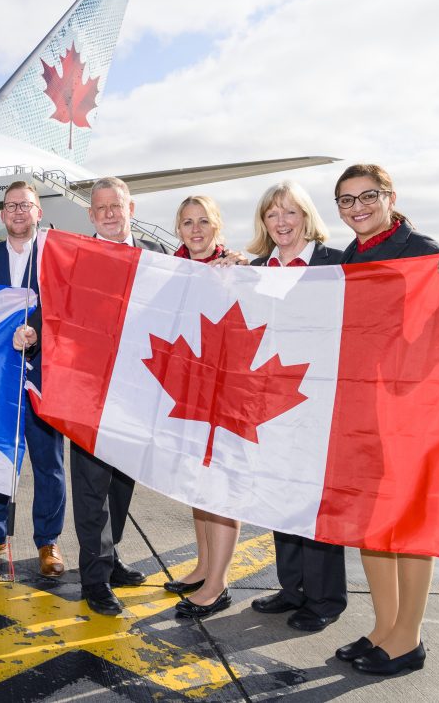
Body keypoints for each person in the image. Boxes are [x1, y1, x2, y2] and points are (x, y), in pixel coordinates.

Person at [329, 164, 439, 675]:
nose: (357, 208)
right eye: (346, 201)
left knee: (410, 523)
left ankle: (408, 639)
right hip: (365, 410)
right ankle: (383, 626)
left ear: (390, 197)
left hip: (408, 413)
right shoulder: (352, 255)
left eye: (367, 196)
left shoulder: (423, 253)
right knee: (373, 525)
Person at [15, 176, 169, 616]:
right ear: (90, 214)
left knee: (122, 483)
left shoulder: (158, 258)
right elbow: (55, 306)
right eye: (99, 207)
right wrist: (34, 330)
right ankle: (95, 579)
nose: (108, 213)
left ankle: (111, 554)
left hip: (138, 389)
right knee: (90, 486)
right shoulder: (77, 257)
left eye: (115, 205)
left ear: (130, 208)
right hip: (89, 391)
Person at [244, 181, 347, 632]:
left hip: (320, 400)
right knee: (280, 494)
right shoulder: (258, 269)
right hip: (271, 402)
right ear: (263, 223)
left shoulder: (335, 263)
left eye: (290, 212)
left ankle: (326, 597)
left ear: (306, 216)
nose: (281, 222)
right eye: (272, 215)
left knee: (315, 501)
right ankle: (292, 588)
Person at [0, 181, 66, 577]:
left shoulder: (55, 256)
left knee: (48, 464)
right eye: (10, 206)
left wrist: (36, 331)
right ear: (2, 214)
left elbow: (64, 308)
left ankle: (48, 542)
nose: (18, 212)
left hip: (44, 376)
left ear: (39, 212)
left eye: (26, 205)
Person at [161, 195, 248, 621]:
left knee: (222, 489)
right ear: (178, 229)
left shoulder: (235, 268)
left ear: (217, 226)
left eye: (203, 222)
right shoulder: (170, 270)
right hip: (188, 391)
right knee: (197, 485)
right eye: (187, 223)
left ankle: (218, 583)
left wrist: (236, 278)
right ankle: (202, 566)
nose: (195, 230)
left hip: (225, 393)